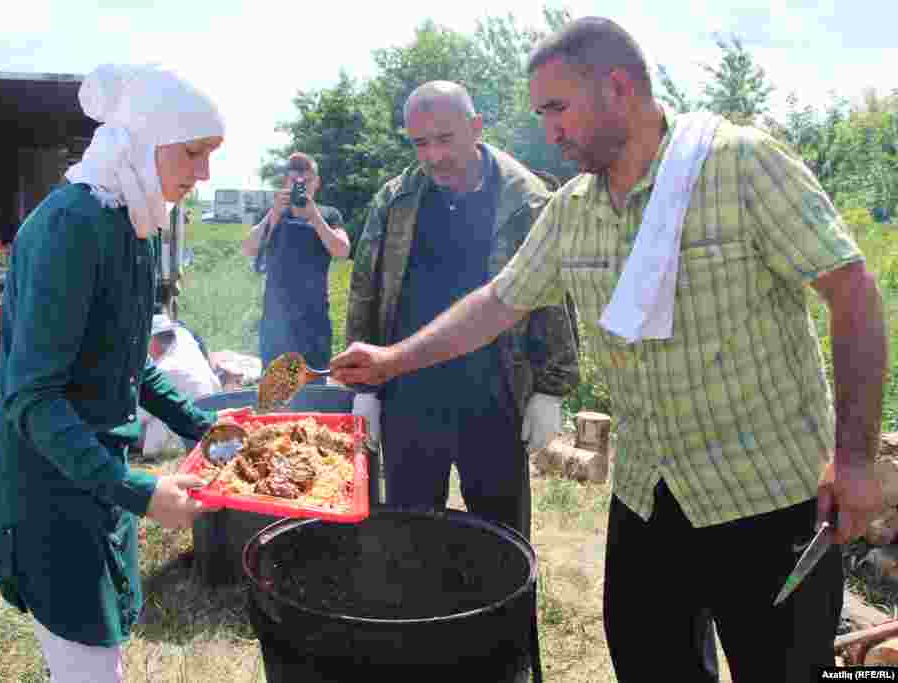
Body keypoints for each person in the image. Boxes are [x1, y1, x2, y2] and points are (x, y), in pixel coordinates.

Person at [331, 18, 888, 682]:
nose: (549, 131)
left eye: (558, 108)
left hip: (766, 500)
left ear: (619, 87)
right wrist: (392, 361)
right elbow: (497, 303)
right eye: (542, 114)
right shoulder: (572, 209)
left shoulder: (742, 165)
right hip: (648, 500)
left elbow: (852, 292)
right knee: (651, 664)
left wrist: (854, 458)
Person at [0, 63, 227, 682]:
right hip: (51, 491)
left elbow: (127, 359)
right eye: (193, 153)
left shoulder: (133, 228)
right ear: (142, 145)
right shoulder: (71, 228)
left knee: (102, 650)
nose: (205, 174)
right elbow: (32, 400)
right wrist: (139, 492)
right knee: (88, 666)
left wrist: (203, 428)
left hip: (97, 479)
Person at [345, 81, 579, 539]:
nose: (433, 155)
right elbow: (366, 291)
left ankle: (502, 613)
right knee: (407, 532)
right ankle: (416, 609)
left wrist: (551, 390)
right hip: (408, 391)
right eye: (419, 143)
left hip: (495, 392)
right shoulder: (395, 200)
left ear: (476, 127)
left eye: (444, 138)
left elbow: (554, 296)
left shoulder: (527, 199)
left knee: (501, 535)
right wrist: (365, 388)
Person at [241, 152, 349, 375]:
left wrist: (314, 217)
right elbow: (248, 249)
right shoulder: (271, 213)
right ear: (285, 182)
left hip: (314, 321)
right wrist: (274, 214)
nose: (301, 187)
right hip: (276, 321)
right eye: (294, 182)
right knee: (275, 392)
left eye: (306, 181)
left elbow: (342, 251)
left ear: (316, 182)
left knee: (314, 387)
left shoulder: (329, 214)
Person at [138, 313, 221, 456]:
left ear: (153, 341)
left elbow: (138, 416)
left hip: (189, 431)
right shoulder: (187, 348)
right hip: (210, 408)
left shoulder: (164, 367)